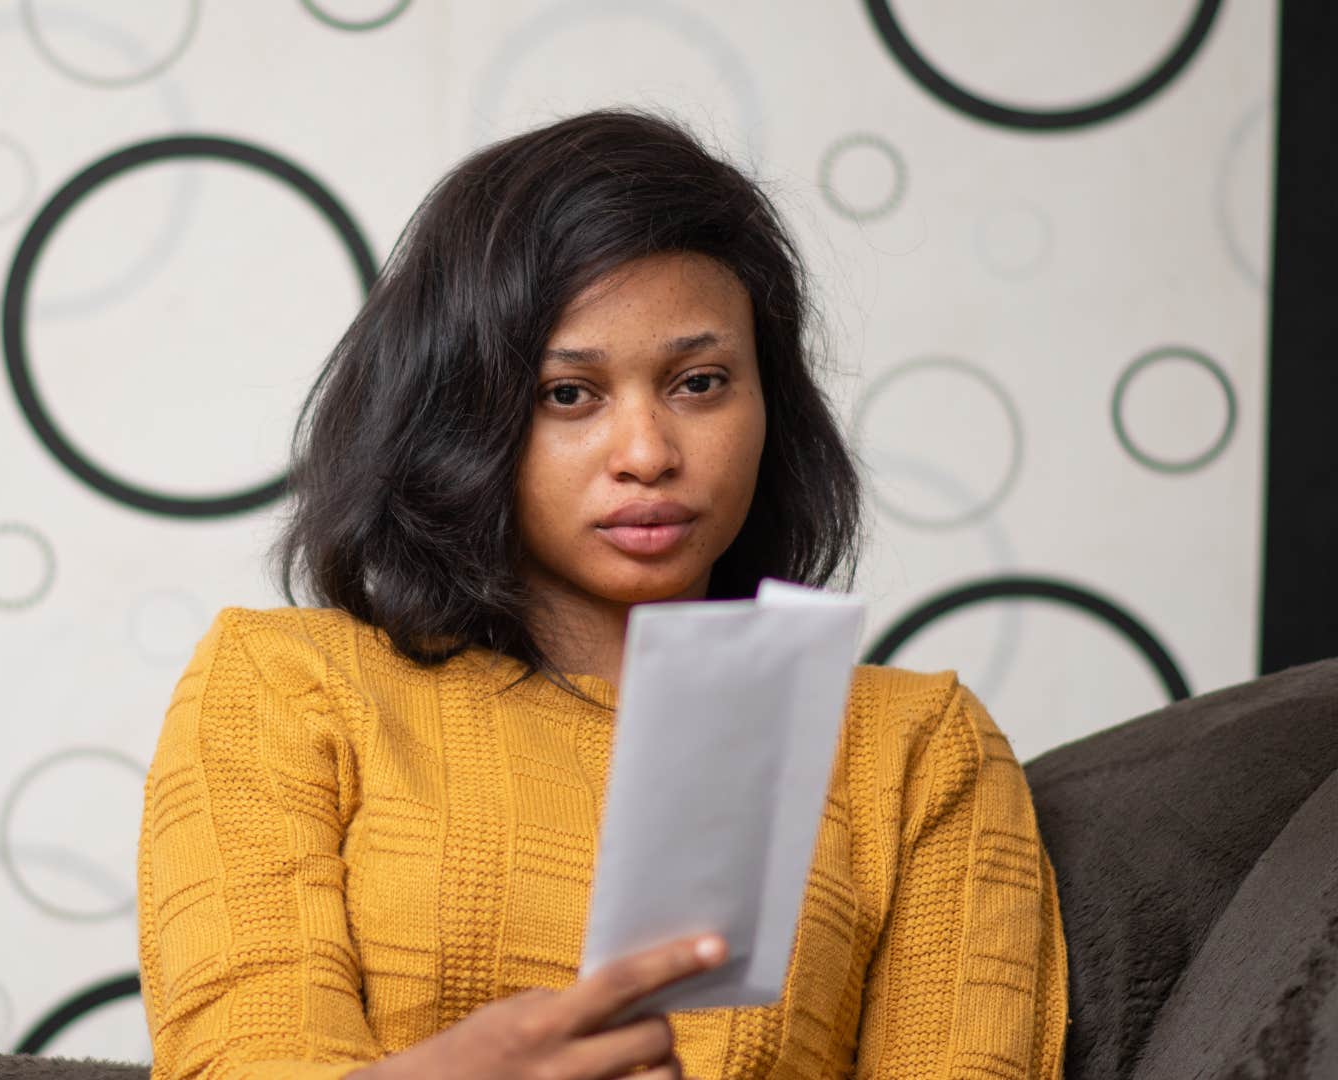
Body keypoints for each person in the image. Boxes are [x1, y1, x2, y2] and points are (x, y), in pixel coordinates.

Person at [135, 108, 1068, 1079]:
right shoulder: (288, 686)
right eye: (569, 395)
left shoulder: (911, 748)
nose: (648, 454)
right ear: (461, 415)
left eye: (700, 383)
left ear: (771, 404)